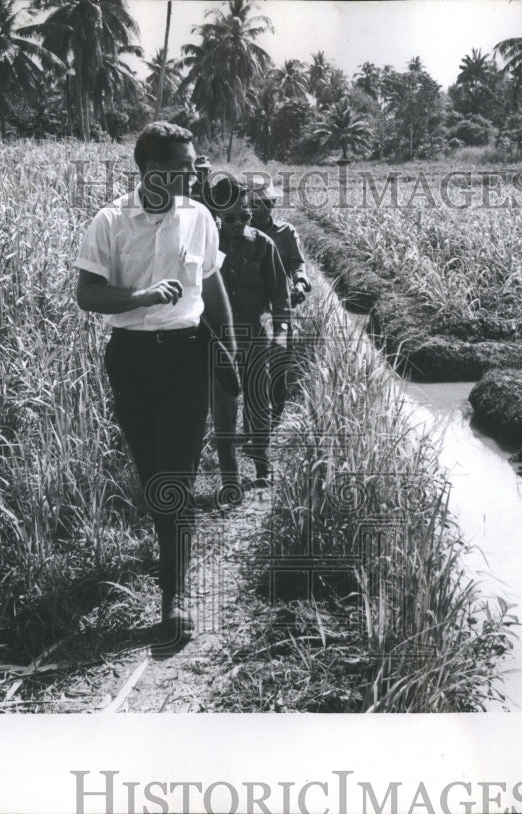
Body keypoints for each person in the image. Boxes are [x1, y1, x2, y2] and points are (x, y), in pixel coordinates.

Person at [75, 122, 236, 649]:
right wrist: (141, 297)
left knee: (177, 480)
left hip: (188, 359)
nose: (192, 177)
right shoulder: (110, 222)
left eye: (192, 168)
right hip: (133, 362)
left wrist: (229, 356)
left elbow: (212, 290)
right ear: (150, 172)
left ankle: (175, 599)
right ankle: (171, 559)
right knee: (153, 480)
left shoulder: (200, 217)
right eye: (182, 170)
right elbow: (88, 295)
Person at [208, 177, 290, 503]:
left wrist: (281, 334)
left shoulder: (262, 245)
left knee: (259, 403)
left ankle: (262, 469)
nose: (240, 223)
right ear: (217, 215)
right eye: (231, 218)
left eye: (245, 215)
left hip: (255, 336)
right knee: (224, 409)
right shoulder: (207, 246)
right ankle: (230, 479)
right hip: (219, 341)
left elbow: (280, 295)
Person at [248, 177, 311, 425]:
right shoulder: (238, 230)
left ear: (272, 204)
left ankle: (275, 418)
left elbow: (298, 263)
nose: (262, 208)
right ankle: (254, 419)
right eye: (256, 203)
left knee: (279, 362)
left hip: (279, 306)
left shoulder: (286, 233)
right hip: (249, 308)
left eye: (266, 202)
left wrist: (300, 282)